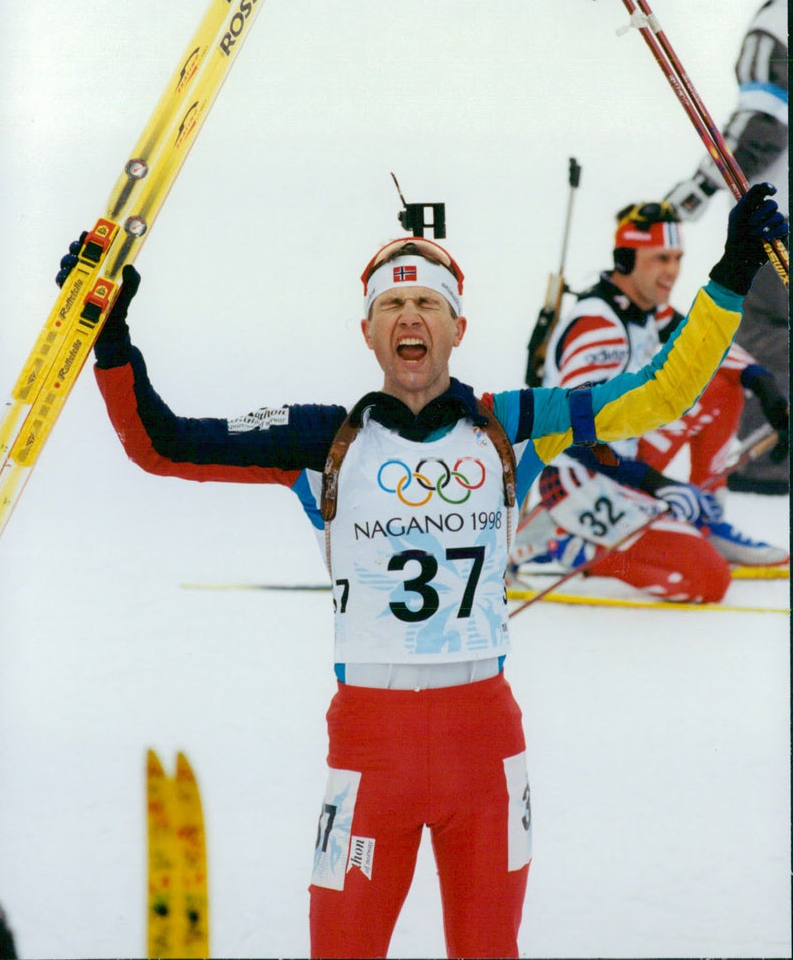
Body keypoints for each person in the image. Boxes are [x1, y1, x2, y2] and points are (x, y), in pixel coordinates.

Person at [58, 184, 785, 959]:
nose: (410, 317)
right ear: (367, 330)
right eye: (392, 303)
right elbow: (160, 443)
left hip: (485, 743)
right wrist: (112, 338)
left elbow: (658, 392)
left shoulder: (510, 425)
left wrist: (733, 272)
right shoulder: (323, 440)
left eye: (429, 302)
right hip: (371, 750)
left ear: (457, 326)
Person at [520, 200, 789, 606]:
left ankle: (705, 518)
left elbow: (703, 343)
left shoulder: (645, 309)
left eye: (677, 257)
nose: (673, 271)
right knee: (708, 581)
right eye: (660, 258)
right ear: (626, 260)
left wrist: (765, 385)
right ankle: (576, 548)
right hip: (582, 479)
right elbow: (571, 433)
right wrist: (657, 484)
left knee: (722, 386)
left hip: (622, 461)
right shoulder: (599, 327)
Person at [665, 0, 789, 494]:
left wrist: (692, 193)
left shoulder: (775, 25)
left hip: (783, 221)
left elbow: (759, 129)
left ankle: (777, 458)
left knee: (763, 327)